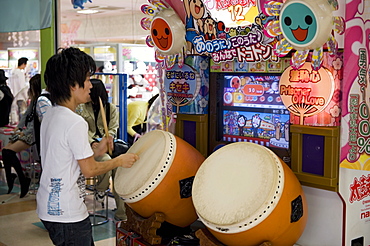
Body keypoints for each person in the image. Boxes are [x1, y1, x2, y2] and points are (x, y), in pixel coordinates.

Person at [36, 47, 139, 246]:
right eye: (86, 80)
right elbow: (89, 169)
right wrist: (119, 161)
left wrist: (98, 150)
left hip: (48, 206)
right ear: (72, 85)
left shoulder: (51, 114)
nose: (90, 86)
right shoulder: (75, 122)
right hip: (68, 212)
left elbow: (67, 155)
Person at [76, 78, 126, 221]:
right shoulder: (81, 108)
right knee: (105, 161)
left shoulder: (111, 108)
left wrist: (106, 140)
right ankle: (101, 189)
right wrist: (92, 142)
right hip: (89, 148)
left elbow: (113, 128)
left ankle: (121, 213)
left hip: (108, 146)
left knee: (119, 172)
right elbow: (83, 129)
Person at [1, 74, 45, 198]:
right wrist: (18, 128)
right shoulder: (36, 100)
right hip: (27, 132)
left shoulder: (41, 101)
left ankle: (20, 179)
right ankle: (15, 178)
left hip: (33, 134)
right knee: (5, 151)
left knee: (8, 151)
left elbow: (36, 123)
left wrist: (22, 131)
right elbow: (26, 115)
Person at [9, 57, 29, 124]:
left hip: (13, 94)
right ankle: (22, 125)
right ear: (23, 64)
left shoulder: (12, 73)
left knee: (14, 110)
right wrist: (26, 96)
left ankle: (14, 123)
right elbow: (22, 86)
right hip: (21, 95)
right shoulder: (20, 73)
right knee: (23, 111)